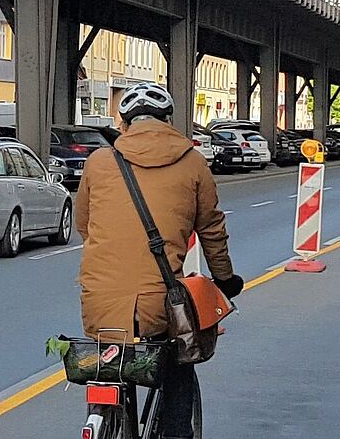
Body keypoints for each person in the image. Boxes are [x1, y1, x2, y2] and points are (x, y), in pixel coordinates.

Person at [75, 82, 244, 438]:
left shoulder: (99, 161)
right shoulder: (193, 162)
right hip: (158, 305)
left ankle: (102, 416)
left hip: (99, 300)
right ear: (169, 121)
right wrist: (226, 279)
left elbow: (84, 226)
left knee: (111, 363)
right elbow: (212, 229)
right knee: (180, 363)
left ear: (123, 124)